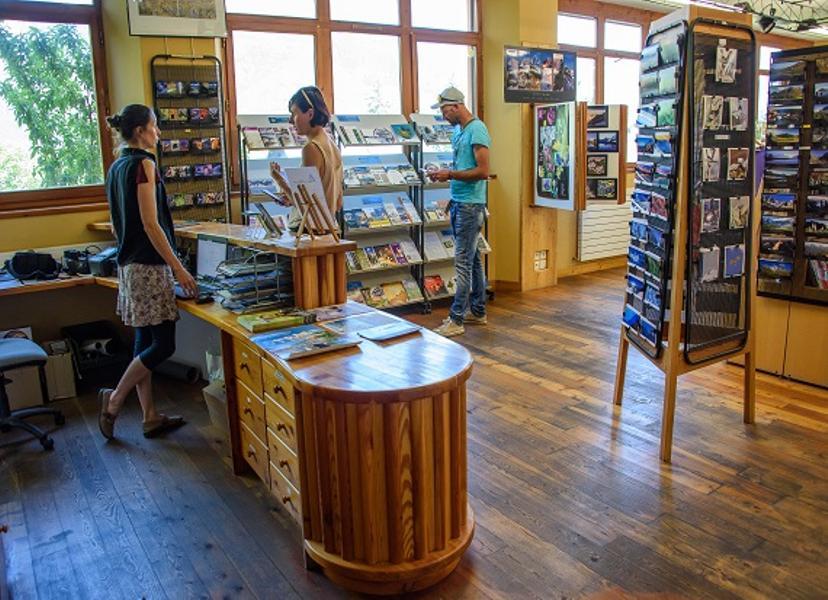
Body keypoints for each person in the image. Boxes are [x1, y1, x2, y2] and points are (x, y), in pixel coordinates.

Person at [98, 104, 196, 441]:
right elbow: (151, 224)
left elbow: (117, 225)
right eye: (154, 126)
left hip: (128, 266)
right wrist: (179, 268)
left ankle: (150, 416)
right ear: (140, 131)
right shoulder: (144, 164)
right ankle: (115, 399)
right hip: (149, 267)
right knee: (163, 346)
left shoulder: (116, 167)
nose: (159, 132)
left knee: (144, 342)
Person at [427, 87, 491, 338]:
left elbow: (483, 171)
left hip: (470, 206)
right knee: (472, 261)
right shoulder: (458, 131)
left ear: (456, 106)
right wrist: (444, 174)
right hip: (459, 202)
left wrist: (450, 174)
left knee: (462, 263)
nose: (443, 116)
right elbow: (463, 166)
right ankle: (478, 311)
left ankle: (456, 319)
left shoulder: (477, 129)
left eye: (444, 110)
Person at [269, 86, 342, 225]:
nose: (291, 120)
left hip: (311, 230)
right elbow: (337, 203)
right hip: (329, 227)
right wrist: (290, 197)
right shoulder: (332, 144)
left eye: (294, 114)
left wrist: (279, 180)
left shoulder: (312, 148)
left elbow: (305, 205)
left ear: (310, 114)